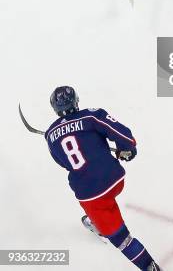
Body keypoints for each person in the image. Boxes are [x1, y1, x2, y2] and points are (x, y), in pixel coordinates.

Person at [45, 86, 161, 271]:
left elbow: (63, 162)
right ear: (76, 101)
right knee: (103, 196)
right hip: (114, 179)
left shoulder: (50, 135)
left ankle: (149, 267)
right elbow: (122, 133)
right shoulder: (91, 116)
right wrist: (128, 149)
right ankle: (97, 220)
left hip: (92, 195)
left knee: (121, 239)